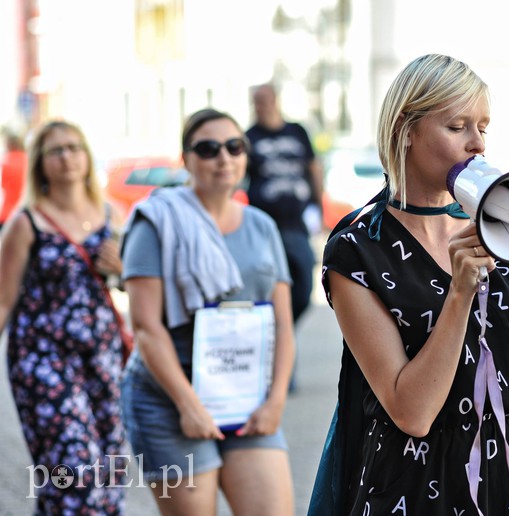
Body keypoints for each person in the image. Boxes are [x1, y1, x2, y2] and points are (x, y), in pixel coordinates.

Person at [310, 54, 509, 515]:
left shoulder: (500, 227)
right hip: (411, 487)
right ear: (407, 129)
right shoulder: (358, 250)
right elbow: (412, 413)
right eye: (458, 125)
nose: (477, 144)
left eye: (483, 127)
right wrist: (459, 294)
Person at [119, 108, 295, 515]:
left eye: (234, 147)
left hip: (246, 397)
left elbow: (282, 325)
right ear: (186, 159)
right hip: (168, 400)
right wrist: (189, 405)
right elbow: (145, 328)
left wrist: (275, 402)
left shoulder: (261, 225)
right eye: (208, 148)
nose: (224, 158)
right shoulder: (155, 222)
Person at [0, 119, 127, 513]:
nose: (67, 157)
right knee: (74, 472)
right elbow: (3, 300)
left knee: (109, 473)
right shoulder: (27, 223)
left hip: (104, 357)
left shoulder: (112, 215)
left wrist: (122, 269)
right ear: (41, 163)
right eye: (56, 150)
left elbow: (134, 288)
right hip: (43, 361)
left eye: (74, 148)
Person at [245, 82, 324, 326]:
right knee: (269, 284)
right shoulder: (249, 137)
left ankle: (284, 327)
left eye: (265, 100)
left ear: (276, 101)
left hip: (295, 223)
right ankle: (277, 331)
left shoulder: (297, 131)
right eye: (257, 102)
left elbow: (313, 167)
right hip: (265, 225)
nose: (261, 107)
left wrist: (317, 204)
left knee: (303, 287)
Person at [0, 130, 28, 229]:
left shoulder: (5, 161)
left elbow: (2, 185)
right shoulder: (29, 160)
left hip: (7, 212)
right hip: (26, 213)